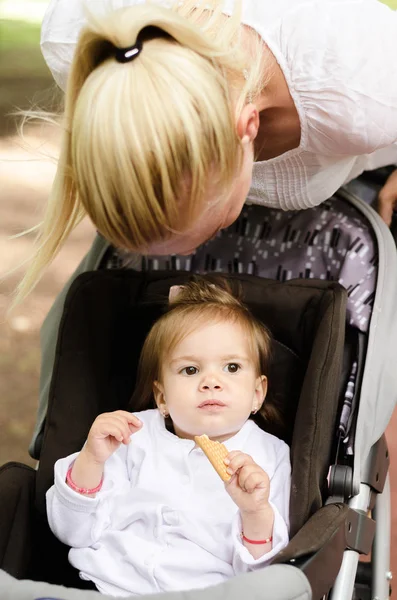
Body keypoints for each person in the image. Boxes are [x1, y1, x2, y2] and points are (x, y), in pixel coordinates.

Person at [22, 0, 397, 457]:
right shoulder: (81, 36)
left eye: (207, 227)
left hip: (360, 161)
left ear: (250, 127)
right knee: (71, 322)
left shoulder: (365, 86)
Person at [46, 278, 290, 597]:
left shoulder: (270, 456)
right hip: (106, 586)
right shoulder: (132, 435)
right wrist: (91, 460)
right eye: (190, 370)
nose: (211, 382)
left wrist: (255, 511)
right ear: (161, 397)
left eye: (231, 367)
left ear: (257, 393)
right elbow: (72, 532)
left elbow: (262, 573)